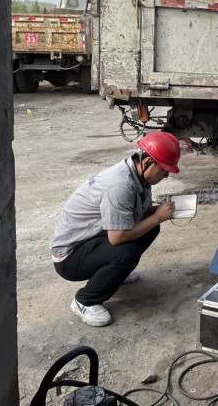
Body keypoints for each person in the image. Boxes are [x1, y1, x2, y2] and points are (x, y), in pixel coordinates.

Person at [50, 131, 181, 326]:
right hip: (70, 257)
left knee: (150, 228)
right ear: (147, 162)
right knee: (127, 252)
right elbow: (117, 238)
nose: (167, 175)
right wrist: (157, 217)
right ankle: (85, 301)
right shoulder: (119, 185)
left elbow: (140, 212)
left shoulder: (138, 175)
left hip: (91, 240)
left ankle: (113, 275)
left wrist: (161, 211)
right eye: (164, 170)